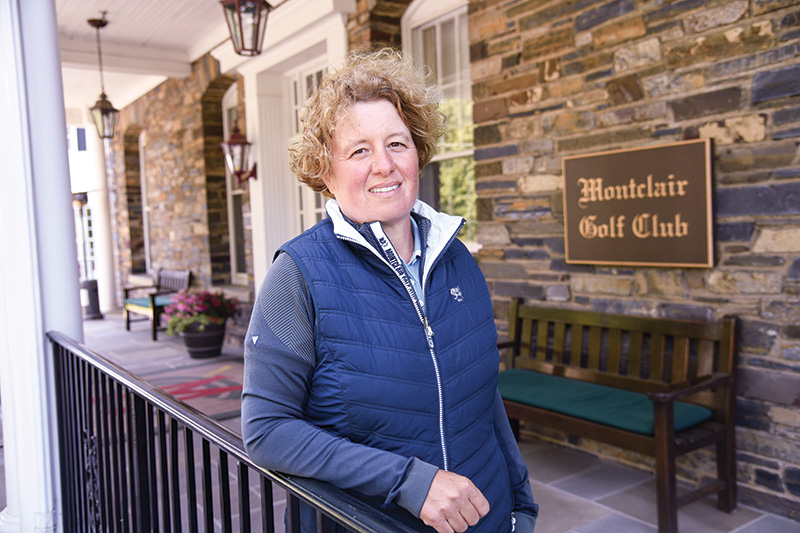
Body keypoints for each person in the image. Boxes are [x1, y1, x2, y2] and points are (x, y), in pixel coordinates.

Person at [242, 48, 538, 533]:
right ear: (324, 170)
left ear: (418, 152)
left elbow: (483, 399)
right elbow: (267, 431)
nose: (384, 165)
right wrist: (410, 482)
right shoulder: (296, 275)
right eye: (359, 150)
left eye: (397, 143)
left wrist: (521, 508)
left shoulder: (457, 261)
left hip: (486, 518)